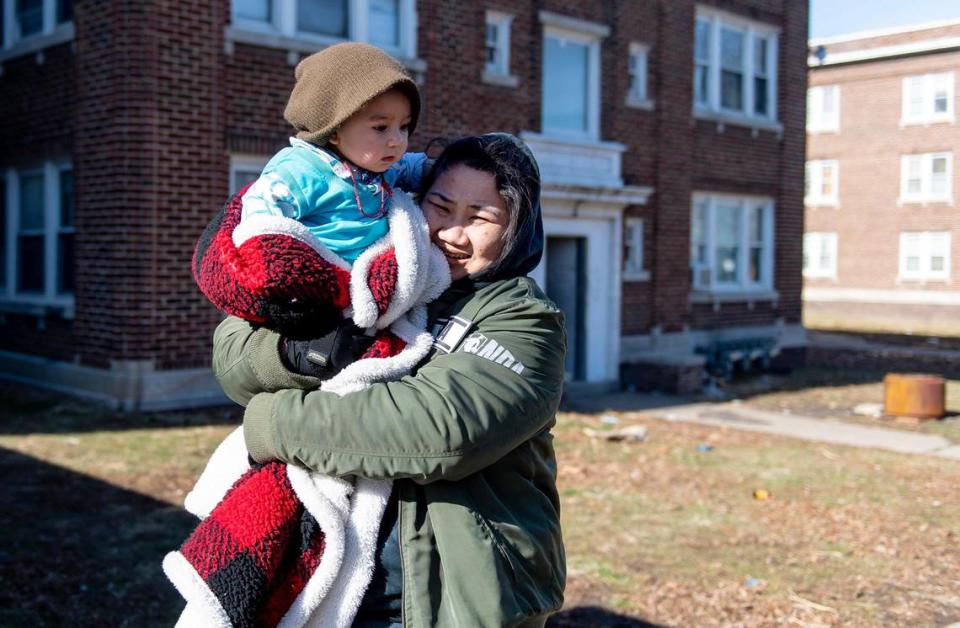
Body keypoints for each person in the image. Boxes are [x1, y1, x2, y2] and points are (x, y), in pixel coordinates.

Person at [211, 133, 567, 627]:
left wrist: (270, 422)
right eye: (440, 206)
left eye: (480, 217)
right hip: (320, 577)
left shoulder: (523, 319)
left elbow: (436, 431)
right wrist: (302, 353)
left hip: (447, 597)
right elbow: (232, 354)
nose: (451, 233)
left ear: (515, 229)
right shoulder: (375, 271)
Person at [193, 41, 429, 352]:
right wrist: (276, 273)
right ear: (333, 129)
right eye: (381, 127)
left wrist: (460, 162)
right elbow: (260, 222)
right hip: (319, 298)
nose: (397, 141)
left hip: (368, 290)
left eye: (405, 127)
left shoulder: (379, 166)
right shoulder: (302, 170)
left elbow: (423, 168)